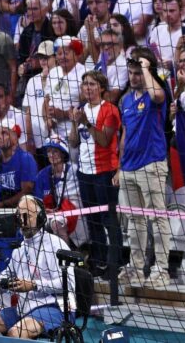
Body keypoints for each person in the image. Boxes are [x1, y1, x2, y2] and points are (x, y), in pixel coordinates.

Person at [0, 195, 75, 339]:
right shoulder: (19, 249)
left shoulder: (55, 245)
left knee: (16, 333)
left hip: (56, 308)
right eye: (19, 215)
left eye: (27, 215)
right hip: (24, 309)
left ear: (41, 218)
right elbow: (3, 279)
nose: (23, 220)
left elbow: (68, 283)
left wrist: (34, 285)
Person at [118, 49, 172, 287]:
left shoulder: (155, 93)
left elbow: (158, 96)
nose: (133, 77)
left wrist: (148, 68)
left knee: (157, 219)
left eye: (137, 73)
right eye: (130, 73)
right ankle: (136, 268)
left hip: (151, 163)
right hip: (128, 167)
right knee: (134, 221)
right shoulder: (126, 99)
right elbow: (125, 134)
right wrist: (119, 167)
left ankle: (161, 270)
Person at [68, 70, 122, 278]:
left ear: (101, 88)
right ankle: (99, 262)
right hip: (85, 172)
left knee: (109, 219)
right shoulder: (81, 110)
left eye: (92, 84)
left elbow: (104, 140)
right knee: (92, 220)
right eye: (85, 85)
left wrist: (87, 123)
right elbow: (73, 142)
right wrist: (75, 122)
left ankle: (114, 263)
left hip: (104, 172)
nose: (88, 88)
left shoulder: (110, 110)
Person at [34, 137, 81, 245]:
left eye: (55, 151)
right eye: (49, 151)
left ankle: (66, 257)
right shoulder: (41, 176)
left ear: (63, 153)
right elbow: (37, 201)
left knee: (57, 223)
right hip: (49, 214)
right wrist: (44, 209)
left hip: (75, 211)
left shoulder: (74, 172)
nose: (51, 154)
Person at [0, 123, 36, 210]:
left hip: (20, 210)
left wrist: (0, 205)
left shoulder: (26, 159)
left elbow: (26, 192)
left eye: (4, 133)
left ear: (15, 138)